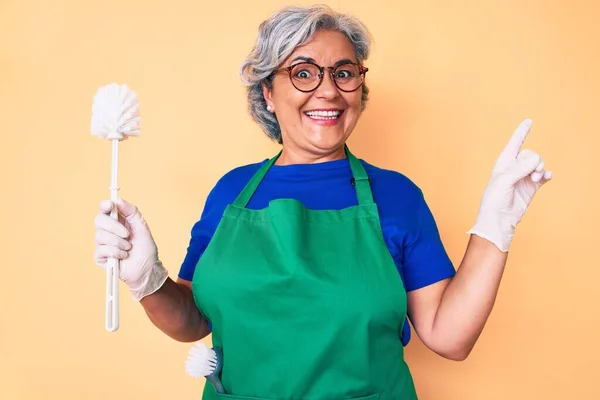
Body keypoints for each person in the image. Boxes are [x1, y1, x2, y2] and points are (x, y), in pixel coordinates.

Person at [93, 4, 552, 399]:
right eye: (303, 72)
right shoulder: (231, 192)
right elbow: (193, 321)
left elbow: (449, 336)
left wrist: (495, 224)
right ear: (268, 93)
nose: (329, 90)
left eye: (344, 73)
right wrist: (148, 280)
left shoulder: (396, 196)